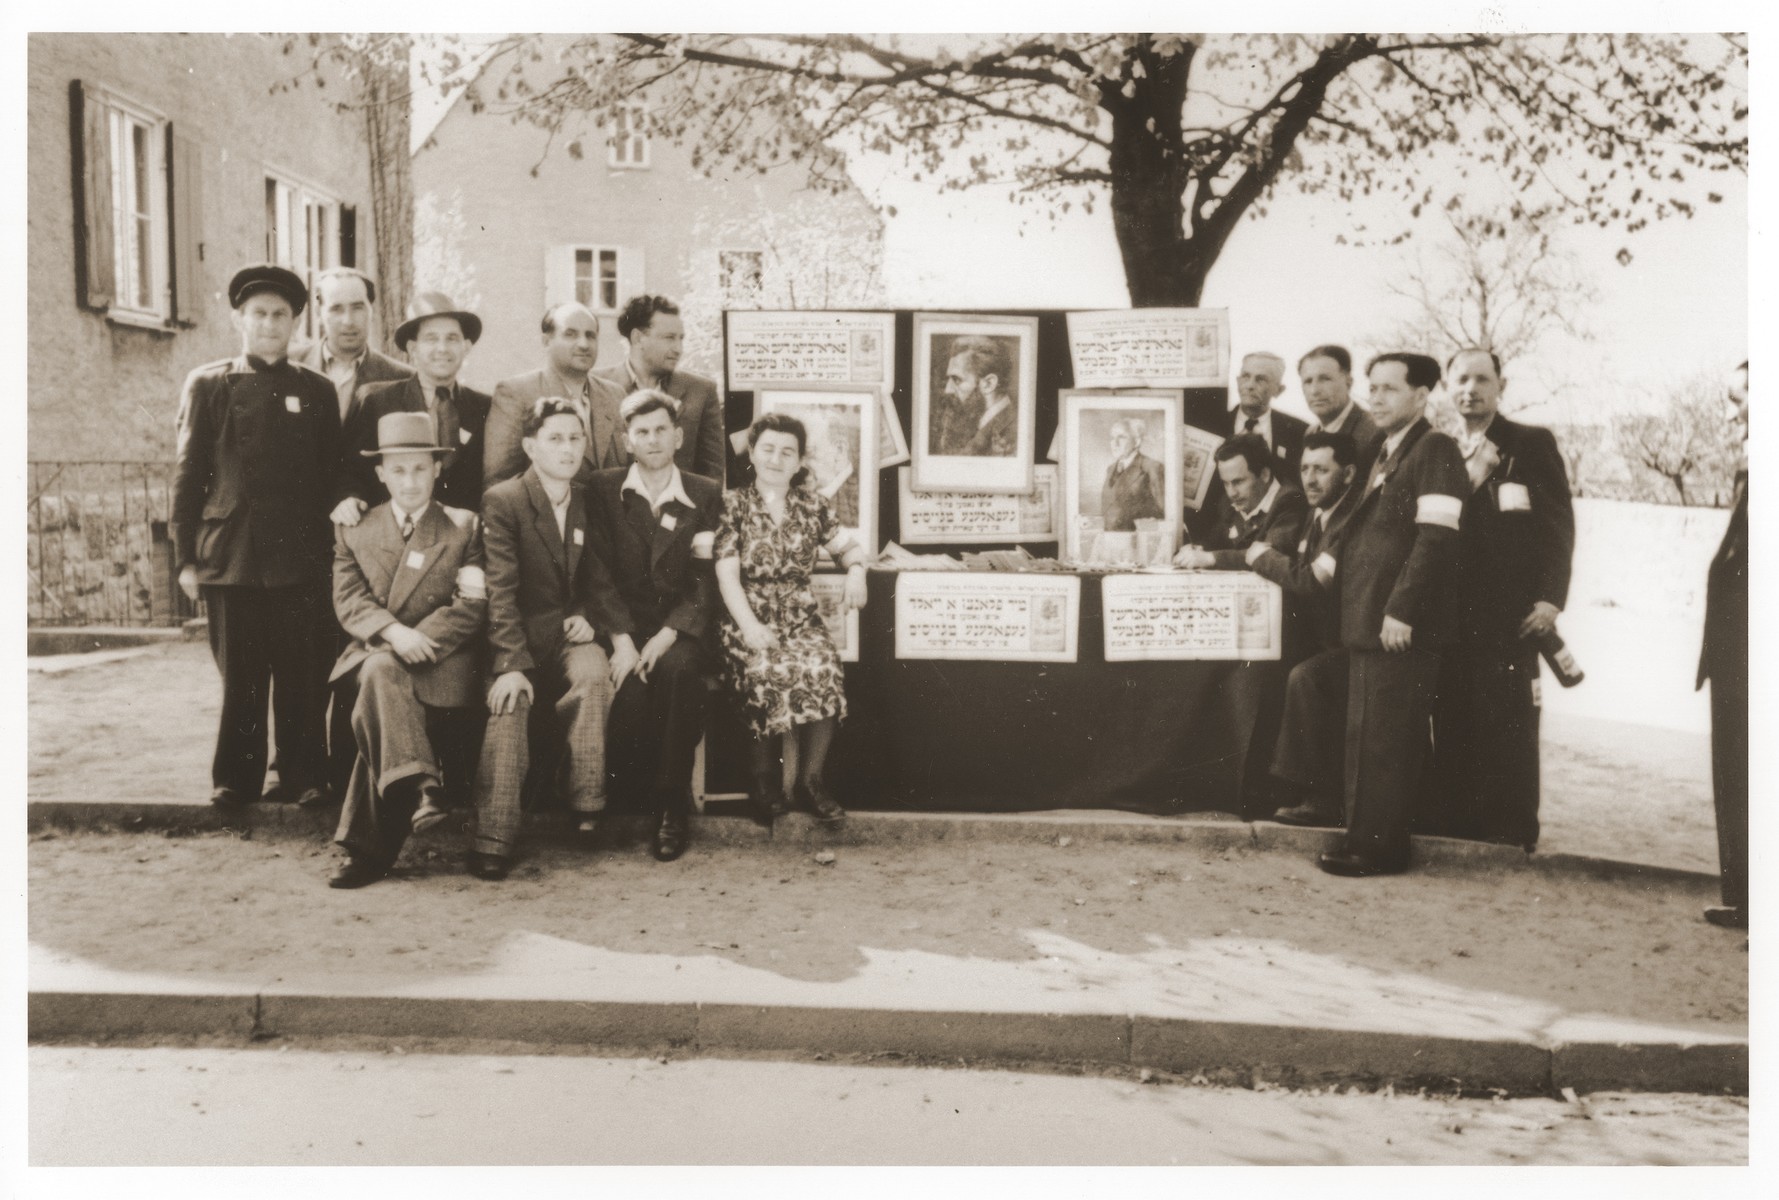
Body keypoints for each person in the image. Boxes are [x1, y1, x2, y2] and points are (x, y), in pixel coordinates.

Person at [170, 264, 341, 809]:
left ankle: (303, 774)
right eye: (259, 314)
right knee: (241, 678)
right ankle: (235, 781)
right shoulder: (208, 384)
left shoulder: (317, 389)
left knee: (302, 674)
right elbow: (187, 474)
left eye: (280, 315)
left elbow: (331, 474)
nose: (270, 324)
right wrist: (185, 560)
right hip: (233, 556)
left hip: (300, 558)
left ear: (295, 324)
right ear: (239, 319)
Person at [1317, 352, 1469, 877]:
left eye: (1388, 389)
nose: (1375, 398)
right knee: (1369, 734)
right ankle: (1366, 838)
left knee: (1386, 739)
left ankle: (1376, 848)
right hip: (1371, 619)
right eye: (1372, 388)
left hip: (1399, 625)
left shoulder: (1436, 448)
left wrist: (1402, 609)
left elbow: (1437, 538)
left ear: (1422, 396)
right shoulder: (1387, 449)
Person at [327, 412, 488, 889]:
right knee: (380, 674)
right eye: (398, 470)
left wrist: (420, 638)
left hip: (444, 659)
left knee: (379, 685)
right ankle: (424, 786)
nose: (410, 480)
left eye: (420, 468)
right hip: (383, 647)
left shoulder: (464, 526)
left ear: (437, 469)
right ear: (380, 474)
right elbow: (349, 599)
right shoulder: (354, 529)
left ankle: (369, 849)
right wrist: (395, 633)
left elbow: (472, 603)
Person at [1424, 348, 1575, 850]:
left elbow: (1556, 527)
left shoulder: (1528, 444)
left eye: (1482, 379)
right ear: (1448, 388)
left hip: (1511, 617)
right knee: (1454, 718)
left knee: (1509, 723)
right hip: (1451, 615)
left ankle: (1511, 834)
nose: (1471, 388)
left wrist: (1551, 599)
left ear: (1500, 385)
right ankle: (1457, 829)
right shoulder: (1440, 448)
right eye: (1461, 379)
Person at [471, 398, 614, 880]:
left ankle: (586, 802)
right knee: (511, 703)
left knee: (595, 676)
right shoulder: (505, 499)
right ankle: (494, 836)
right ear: (531, 446)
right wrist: (510, 663)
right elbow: (500, 591)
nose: (569, 448)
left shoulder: (586, 497)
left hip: (570, 633)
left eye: (576, 437)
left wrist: (589, 615)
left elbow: (597, 573)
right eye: (556, 438)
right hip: (517, 638)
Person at [584, 390, 725, 861]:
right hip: (620, 627)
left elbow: (705, 578)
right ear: (627, 440)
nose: (652, 439)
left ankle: (671, 804)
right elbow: (596, 571)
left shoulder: (704, 492)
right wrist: (622, 641)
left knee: (679, 674)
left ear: (678, 435)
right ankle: (614, 802)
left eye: (661, 429)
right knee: (628, 691)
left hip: (679, 629)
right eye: (641, 431)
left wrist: (670, 633)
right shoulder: (603, 489)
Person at [715, 413, 870, 822]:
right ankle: (763, 779)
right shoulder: (734, 504)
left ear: (800, 461)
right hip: (747, 617)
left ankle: (810, 781)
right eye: (767, 449)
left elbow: (848, 549)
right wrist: (749, 626)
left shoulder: (813, 505)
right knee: (764, 667)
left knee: (823, 667)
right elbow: (726, 574)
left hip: (800, 621)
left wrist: (856, 572)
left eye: (787, 451)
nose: (776, 458)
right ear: (752, 453)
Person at [1252, 432, 1360, 827]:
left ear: (1347, 474)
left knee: (1306, 678)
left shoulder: (1349, 519)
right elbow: (1268, 549)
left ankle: (1321, 798)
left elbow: (1314, 580)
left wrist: (1262, 559)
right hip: (1325, 640)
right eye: (1304, 469)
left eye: (1321, 470)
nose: (1310, 479)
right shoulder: (1315, 516)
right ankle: (1277, 787)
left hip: (1355, 645)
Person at [342, 293, 492, 513]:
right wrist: (350, 498)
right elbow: (351, 471)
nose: (442, 348)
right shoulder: (378, 402)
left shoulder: (485, 407)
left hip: (463, 538)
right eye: (431, 339)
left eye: (452, 338)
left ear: (466, 347)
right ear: (413, 349)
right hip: (394, 535)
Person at [1699, 361, 1748, 930]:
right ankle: (1745, 897)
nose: (1731, 411)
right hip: (1735, 656)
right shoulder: (1750, 464)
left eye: (1740, 397)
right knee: (1736, 776)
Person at [483, 303, 629, 489]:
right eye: (570, 334)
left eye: (590, 336)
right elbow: (499, 482)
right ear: (546, 341)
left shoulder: (615, 395)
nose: (584, 344)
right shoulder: (516, 393)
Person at [595, 294, 727, 480]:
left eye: (681, 338)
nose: (678, 348)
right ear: (638, 338)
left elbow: (712, 474)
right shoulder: (597, 386)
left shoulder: (701, 390)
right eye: (669, 338)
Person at [295, 267, 414, 466]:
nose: (348, 321)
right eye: (336, 309)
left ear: (371, 310)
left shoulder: (402, 378)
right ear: (318, 313)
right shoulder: (292, 366)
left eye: (357, 307)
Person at [1174, 434, 1308, 570]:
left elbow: (1270, 557)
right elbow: (1214, 542)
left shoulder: (1291, 501)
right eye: (1226, 483)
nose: (1231, 493)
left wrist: (1211, 558)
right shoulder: (1228, 503)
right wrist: (1197, 549)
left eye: (1238, 482)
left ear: (1265, 475)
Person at [1299, 344, 1386, 477]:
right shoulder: (1310, 433)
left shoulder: (1374, 432)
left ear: (1349, 382)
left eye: (1325, 379)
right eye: (1308, 381)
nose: (1314, 390)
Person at [931, 335, 1017, 457]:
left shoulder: (1014, 435)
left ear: (988, 384)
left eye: (957, 380)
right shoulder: (975, 422)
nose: (947, 390)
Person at [1100, 418, 1167, 531]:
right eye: (1112, 437)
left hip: (1138, 543)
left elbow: (1165, 512)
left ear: (1137, 442)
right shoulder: (1110, 469)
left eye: (1121, 437)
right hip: (1109, 541)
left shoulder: (1153, 467)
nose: (1114, 443)